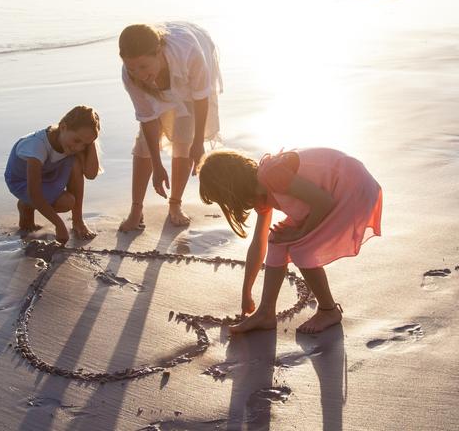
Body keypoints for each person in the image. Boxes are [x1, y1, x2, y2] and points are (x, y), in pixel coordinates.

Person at [198, 148, 382, 334]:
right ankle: (266, 312)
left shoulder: (271, 174)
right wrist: (246, 291)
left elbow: (322, 201)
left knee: (301, 247)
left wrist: (299, 232)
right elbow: (259, 243)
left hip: (352, 188)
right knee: (277, 240)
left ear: (231, 187)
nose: (228, 205)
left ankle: (329, 310)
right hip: (333, 195)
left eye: (223, 199)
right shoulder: (261, 195)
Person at [118, 21, 222, 231]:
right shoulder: (131, 76)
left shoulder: (190, 53)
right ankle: (136, 209)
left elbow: (200, 99)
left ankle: (175, 204)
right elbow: (147, 119)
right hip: (164, 81)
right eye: (132, 67)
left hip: (191, 78)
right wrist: (157, 166)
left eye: (144, 66)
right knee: (144, 145)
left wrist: (199, 142)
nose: (139, 73)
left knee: (184, 140)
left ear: (159, 52)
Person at [4, 105, 101, 244]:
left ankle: (78, 221)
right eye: (77, 140)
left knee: (75, 163)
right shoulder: (37, 146)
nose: (79, 147)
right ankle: (27, 205)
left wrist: (90, 143)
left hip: (48, 173)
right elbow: (35, 194)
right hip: (22, 181)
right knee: (66, 202)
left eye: (85, 144)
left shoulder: (71, 143)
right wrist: (59, 224)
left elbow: (91, 174)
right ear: (63, 127)